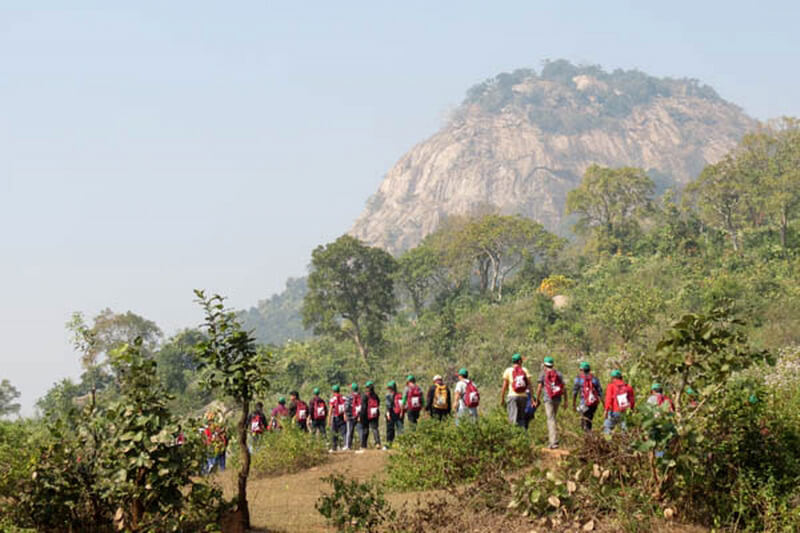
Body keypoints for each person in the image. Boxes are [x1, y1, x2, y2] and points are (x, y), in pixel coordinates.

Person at [535, 356, 568, 449]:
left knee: (551, 419)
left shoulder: (543, 374)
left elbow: (539, 388)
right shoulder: (559, 374)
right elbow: (564, 388)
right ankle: (553, 440)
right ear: (552, 364)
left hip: (548, 399)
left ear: (545, 365)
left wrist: (536, 399)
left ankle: (553, 442)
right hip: (557, 399)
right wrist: (566, 400)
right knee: (553, 418)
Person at [501, 353, 532, 429]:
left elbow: (504, 386)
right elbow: (530, 385)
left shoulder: (508, 371)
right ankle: (522, 436)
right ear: (520, 361)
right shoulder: (524, 370)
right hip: (523, 397)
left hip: (512, 396)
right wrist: (531, 398)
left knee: (512, 418)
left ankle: (514, 437)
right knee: (521, 418)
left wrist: (502, 398)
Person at [572, 362, 603, 432]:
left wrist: (573, 404)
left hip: (584, 403)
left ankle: (587, 436)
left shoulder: (578, 379)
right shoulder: (595, 379)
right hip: (594, 403)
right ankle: (588, 434)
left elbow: (575, 392)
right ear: (589, 370)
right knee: (589, 420)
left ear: (581, 370)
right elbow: (600, 392)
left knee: (583, 420)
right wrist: (604, 405)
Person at [603, 369, 635, 434]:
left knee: (607, 427)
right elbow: (632, 400)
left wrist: (606, 410)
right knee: (624, 430)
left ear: (613, 378)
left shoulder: (611, 386)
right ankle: (624, 442)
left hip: (614, 411)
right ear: (621, 377)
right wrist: (631, 410)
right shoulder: (628, 387)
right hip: (625, 411)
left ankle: (608, 443)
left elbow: (608, 399)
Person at [358, 381, 382, 452]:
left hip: (366, 415)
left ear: (367, 388)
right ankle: (378, 443)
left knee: (365, 430)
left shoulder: (364, 396)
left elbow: (363, 408)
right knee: (375, 429)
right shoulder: (375, 395)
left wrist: (361, 417)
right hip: (374, 415)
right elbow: (378, 403)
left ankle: (363, 445)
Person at [385, 380, 404, 448]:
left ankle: (389, 445)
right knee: (399, 429)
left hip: (393, 414)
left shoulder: (388, 395)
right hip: (398, 414)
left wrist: (388, 414)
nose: (389, 389)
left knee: (390, 430)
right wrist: (402, 412)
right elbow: (401, 404)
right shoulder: (399, 395)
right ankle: (401, 444)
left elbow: (387, 407)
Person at [328, 385, 347, 452]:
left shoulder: (332, 399)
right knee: (344, 432)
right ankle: (345, 445)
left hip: (335, 418)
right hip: (343, 417)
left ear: (333, 391)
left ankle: (334, 447)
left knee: (334, 432)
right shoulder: (344, 398)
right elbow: (346, 407)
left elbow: (330, 410)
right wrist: (345, 414)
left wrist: (329, 420)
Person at [344, 382, 362, 450]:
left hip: (350, 417)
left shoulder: (349, 396)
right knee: (360, 431)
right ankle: (362, 445)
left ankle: (348, 446)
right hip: (358, 416)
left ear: (352, 389)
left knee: (349, 432)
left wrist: (345, 414)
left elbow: (347, 406)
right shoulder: (361, 396)